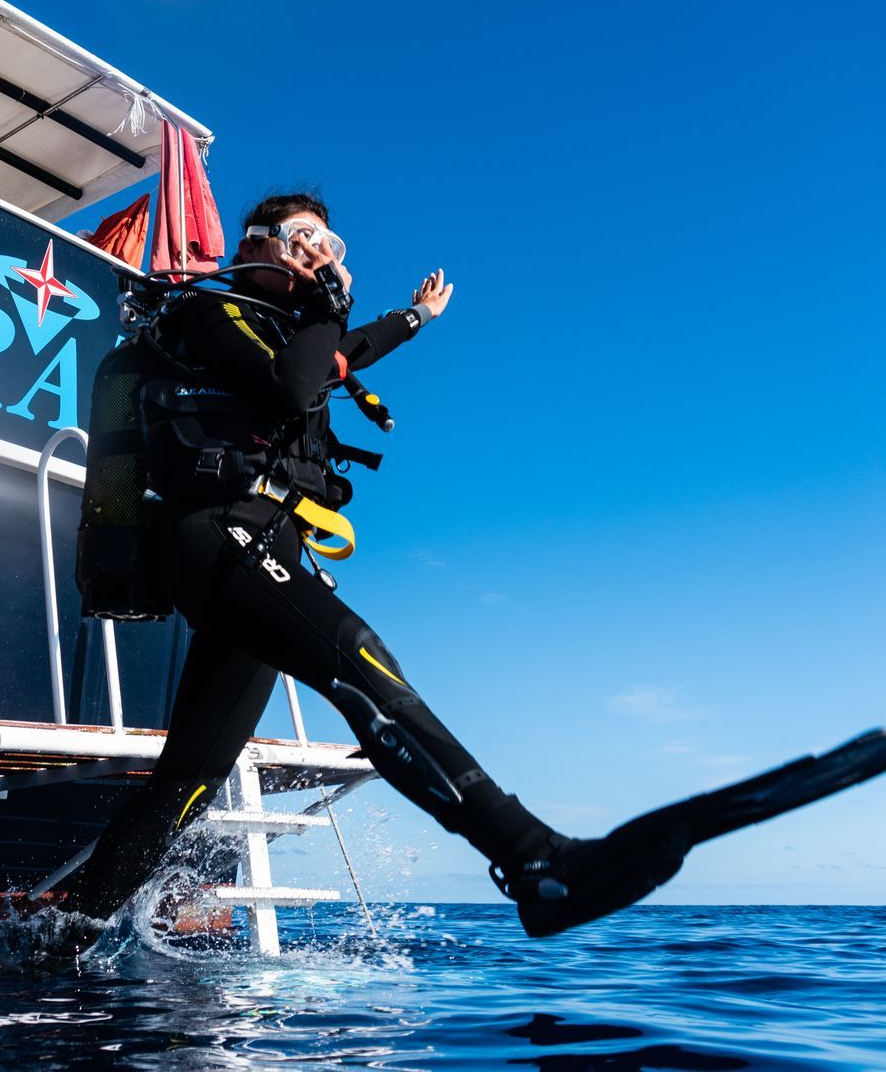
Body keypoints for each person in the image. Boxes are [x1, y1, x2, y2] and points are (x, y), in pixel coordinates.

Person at [61, 193, 691, 941]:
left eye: (328, 242)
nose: (317, 253)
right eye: (301, 239)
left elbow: (339, 358)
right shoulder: (210, 313)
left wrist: (415, 318)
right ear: (258, 245)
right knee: (363, 663)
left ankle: (66, 934)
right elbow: (293, 386)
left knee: (189, 779)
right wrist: (331, 296)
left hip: (257, 546)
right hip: (219, 536)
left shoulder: (284, 333)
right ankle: (534, 859)